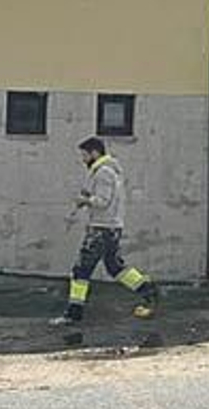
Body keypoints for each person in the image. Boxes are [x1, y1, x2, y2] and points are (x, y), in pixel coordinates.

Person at [50, 137, 159, 325]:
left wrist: (85, 201)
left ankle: (73, 314)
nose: (83, 159)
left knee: (80, 270)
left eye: (84, 155)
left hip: (101, 229)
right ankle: (147, 289)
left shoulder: (103, 173)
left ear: (95, 153)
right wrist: (88, 198)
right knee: (114, 267)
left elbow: (103, 201)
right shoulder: (109, 171)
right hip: (112, 228)